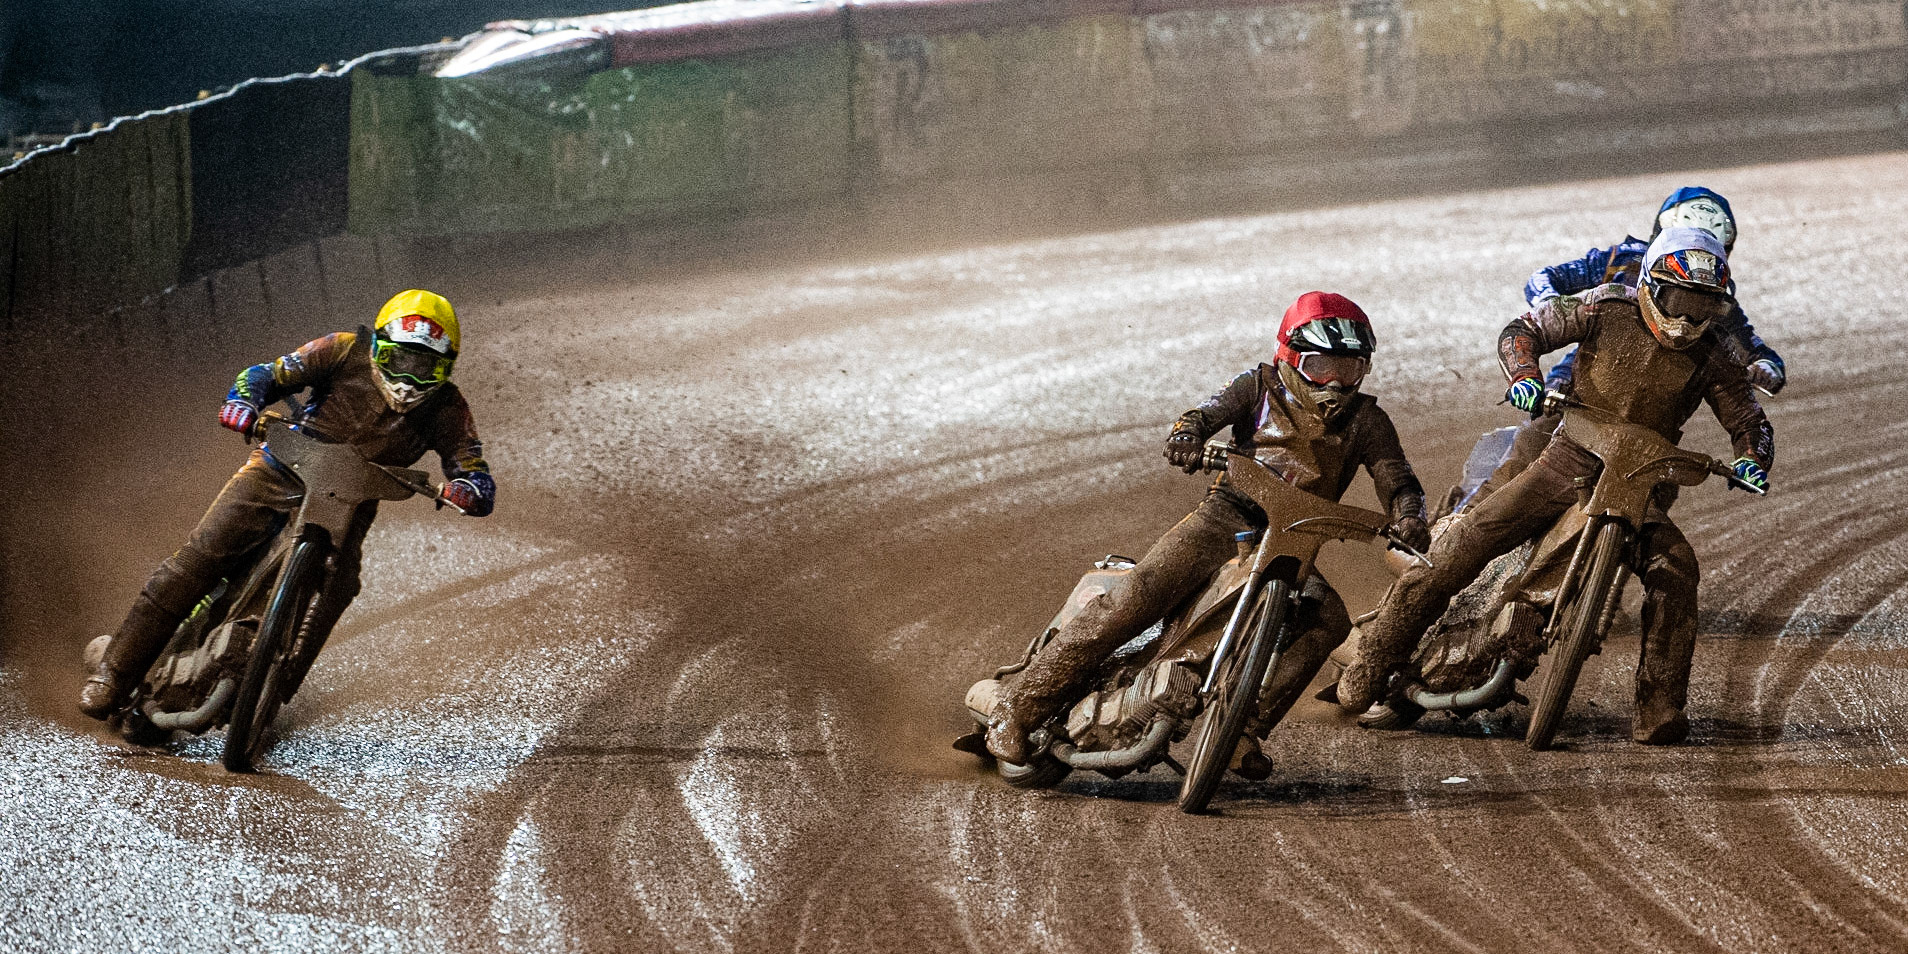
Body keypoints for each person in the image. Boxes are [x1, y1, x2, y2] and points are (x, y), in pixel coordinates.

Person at [1336, 229, 1772, 744]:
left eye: (1703, 306)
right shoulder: (1604, 307)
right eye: (1678, 300)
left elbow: (1751, 420)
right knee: (1461, 545)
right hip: (1566, 459)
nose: (1687, 319)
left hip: (1640, 484)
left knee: (1677, 571)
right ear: (1651, 284)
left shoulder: (1716, 356)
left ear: (1720, 308)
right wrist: (1523, 375)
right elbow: (1524, 329)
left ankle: (1660, 711)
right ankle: (1371, 662)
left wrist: (1752, 460)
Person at [984, 291, 1430, 776]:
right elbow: (1200, 414)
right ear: (1289, 356)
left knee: (1328, 620)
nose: (1337, 382)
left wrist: (1409, 516)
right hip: (1224, 517)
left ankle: (1242, 728)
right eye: (1323, 366)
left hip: (1294, 538)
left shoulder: (1368, 420)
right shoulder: (1256, 387)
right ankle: (1018, 708)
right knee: (1136, 597)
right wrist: (1186, 438)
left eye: (1351, 368)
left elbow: (1398, 476)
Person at [78, 289, 496, 719]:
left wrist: (469, 487)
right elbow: (264, 375)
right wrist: (243, 401)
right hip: (278, 468)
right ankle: (113, 674)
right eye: (402, 360)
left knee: (342, 585)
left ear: (444, 369)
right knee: (199, 558)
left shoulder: (448, 407)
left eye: (424, 366)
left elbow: (473, 466)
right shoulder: (341, 349)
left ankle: (273, 692)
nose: (409, 378)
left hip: (351, 503)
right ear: (379, 348)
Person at [1463, 187, 1783, 512]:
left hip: (1650, 422)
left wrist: (1764, 370)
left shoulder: (1714, 295)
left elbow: (1762, 355)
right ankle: (1458, 526)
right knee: (1527, 453)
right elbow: (1543, 279)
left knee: (1656, 509)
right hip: (1578, 391)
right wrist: (1560, 314)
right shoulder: (1622, 258)